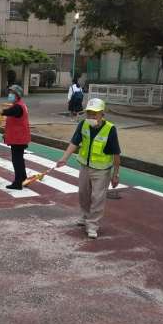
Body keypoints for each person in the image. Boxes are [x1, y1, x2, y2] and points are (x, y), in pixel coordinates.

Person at [56, 98, 121, 239]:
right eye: (89, 113)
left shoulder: (110, 129)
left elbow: (116, 154)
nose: (91, 116)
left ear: (102, 114)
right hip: (85, 167)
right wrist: (64, 158)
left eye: (94, 114)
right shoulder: (83, 124)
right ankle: (85, 216)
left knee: (97, 197)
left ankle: (92, 224)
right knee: (83, 194)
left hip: (102, 170)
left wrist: (115, 174)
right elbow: (74, 142)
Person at [1, 84, 31, 190]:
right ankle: (23, 179)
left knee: (17, 160)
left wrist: (2, 112)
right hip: (20, 137)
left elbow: (11, 112)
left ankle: (18, 183)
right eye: (10, 93)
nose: (10, 95)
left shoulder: (18, 106)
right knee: (19, 159)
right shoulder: (20, 104)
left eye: (12, 93)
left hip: (18, 138)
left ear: (17, 95)